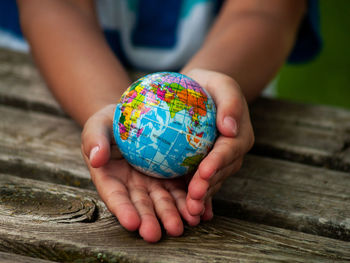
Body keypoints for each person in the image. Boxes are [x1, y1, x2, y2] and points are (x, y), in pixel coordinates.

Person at [14, 0, 321, 242]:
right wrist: (106, 106)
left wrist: (206, 90)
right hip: (65, 68)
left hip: (237, 64)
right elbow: (54, 5)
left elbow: (265, 9)